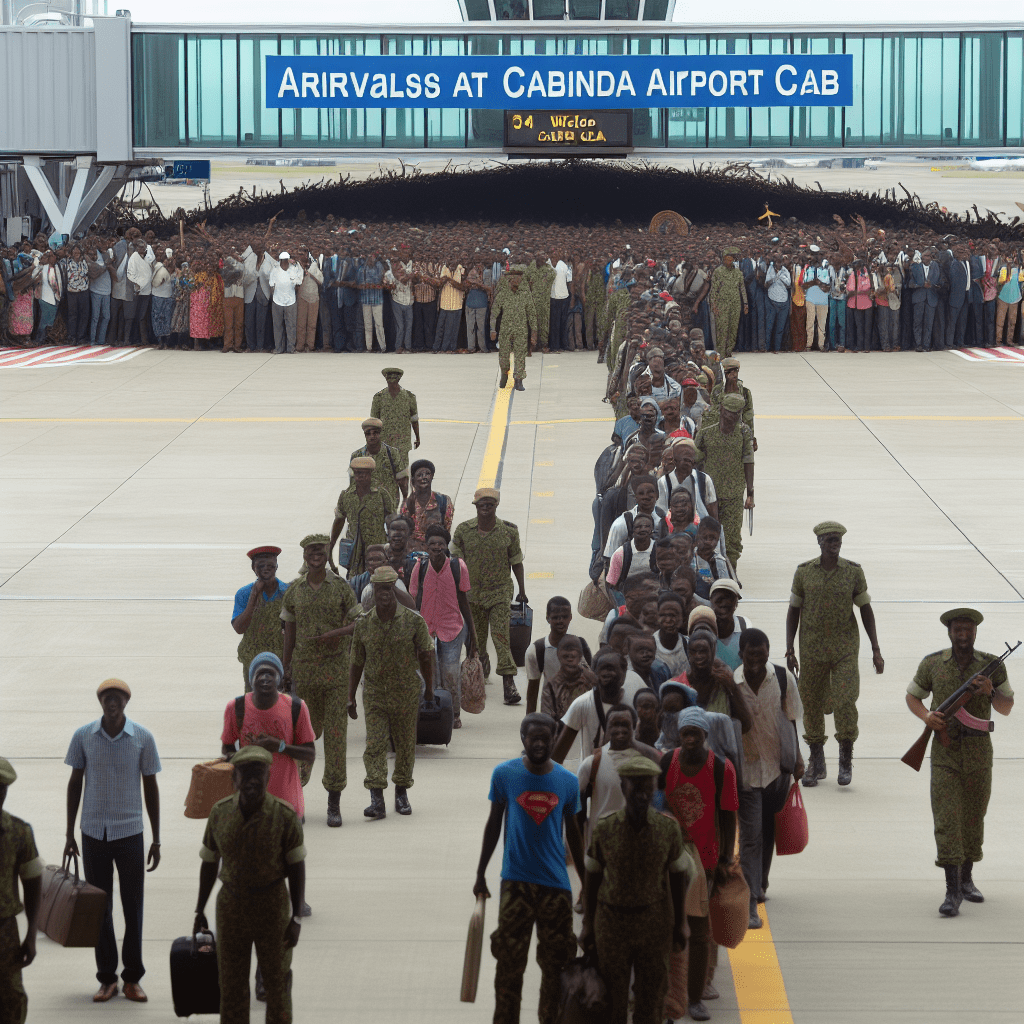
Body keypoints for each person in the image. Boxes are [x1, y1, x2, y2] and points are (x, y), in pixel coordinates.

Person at [474, 712, 585, 1024]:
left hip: (556, 887)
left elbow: (574, 834)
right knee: (509, 967)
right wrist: (481, 873)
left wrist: (586, 884)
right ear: (523, 740)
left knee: (556, 968)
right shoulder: (504, 775)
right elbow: (494, 824)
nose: (538, 743)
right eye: (532, 738)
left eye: (545, 738)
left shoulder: (567, 781)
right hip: (516, 884)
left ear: (554, 739)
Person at [905, 608, 1014, 917]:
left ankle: (967, 880)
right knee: (948, 821)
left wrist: (989, 692)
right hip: (945, 755)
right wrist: (927, 716)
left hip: (980, 755)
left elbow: (1006, 707)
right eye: (958, 630)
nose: (963, 635)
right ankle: (952, 891)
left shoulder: (993, 667)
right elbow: (912, 696)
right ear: (949, 632)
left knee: (972, 819)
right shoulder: (932, 664)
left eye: (968, 630)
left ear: (975, 632)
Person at [63, 679, 161, 1003]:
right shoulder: (83, 736)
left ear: (126, 701)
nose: (112, 702)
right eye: (107, 697)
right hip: (93, 834)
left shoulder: (142, 738)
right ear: (100, 701)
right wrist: (69, 833)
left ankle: (132, 978)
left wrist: (156, 838)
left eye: (117, 697)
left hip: (130, 832)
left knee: (133, 909)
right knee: (99, 909)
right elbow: (75, 784)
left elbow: (151, 788)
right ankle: (107, 978)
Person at [193, 745, 305, 1024]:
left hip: (273, 908)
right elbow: (209, 863)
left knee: (277, 985)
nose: (253, 779)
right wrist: (199, 910)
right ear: (234, 779)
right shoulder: (219, 814)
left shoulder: (284, 815)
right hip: (232, 907)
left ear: (269, 776)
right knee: (231, 986)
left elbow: (296, 866)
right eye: (246, 772)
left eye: (259, 772)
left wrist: (296, 917)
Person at [580, 754, 690, 1024]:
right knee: (613, 1000)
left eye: (647, 787)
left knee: (651, 999)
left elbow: (678, 878)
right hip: (612, 924)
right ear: (623, 786)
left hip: (654, 924)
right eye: (634, 786)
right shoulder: (605, 829)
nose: (641, 794)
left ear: (655, 788)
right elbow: (592, 879)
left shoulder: (667, 830)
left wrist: (681, 924)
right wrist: (588, 925)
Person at [786, 521, 883, 788]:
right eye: (829, 539)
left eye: (838, 539)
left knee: (844, 700)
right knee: (812, 702)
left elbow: (865, 609)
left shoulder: (852, 572)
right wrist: (790, 648)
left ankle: (845, 759)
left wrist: (876, 648)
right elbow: (793, 610)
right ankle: (816, 763)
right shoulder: (804, 573)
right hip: (812, 648)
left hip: (845, 648)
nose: (834, 543)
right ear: (819, 542)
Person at [659, 706, 739, 1022]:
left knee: (699, 927)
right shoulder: (668, 762)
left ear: (705, 736)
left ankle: (695, 996)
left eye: (696, 734)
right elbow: (660, 802)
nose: (690, 739)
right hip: (673, 856)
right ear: (679, 735)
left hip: (705, 858)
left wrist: (725, 860)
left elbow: (729, 814)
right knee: (668, 924)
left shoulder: (721, 768)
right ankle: (667, 993)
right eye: (685, 734)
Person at [281, 534, 358, 827]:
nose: (316, 555)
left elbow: (358, 622)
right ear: (304, 555)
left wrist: (334, 635)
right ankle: (296, 798)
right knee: (303, 738)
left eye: (321, 551)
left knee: (336, 740)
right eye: (311, 551)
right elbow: (289, 629)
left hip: (337, 675)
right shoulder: (294, 590)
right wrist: (285, 668)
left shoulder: (340, 587)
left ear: (327, 555)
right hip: (305, 676)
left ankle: (333, 802)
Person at [348, 566, 435, 819]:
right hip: (375, 693)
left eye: (388, 588)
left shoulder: (413, 622)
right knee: (374, 744)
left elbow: (427, 657)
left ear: (395, 588)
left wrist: (429, 690)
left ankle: (401, 792)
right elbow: (356, 662)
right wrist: (350, 696)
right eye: (379, 589)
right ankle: (376, 798)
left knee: (405, 745)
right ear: (372, 590)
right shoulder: (363, 624)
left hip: (405, 693)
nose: (384, 594)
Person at [733, 629, 805, 929]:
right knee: (750, 835)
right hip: (746, 770)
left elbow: (791, 718)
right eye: (751, 654)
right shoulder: (732, 682)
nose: (756, 659)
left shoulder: (783, 678)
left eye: (762, 653)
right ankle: (750, 898)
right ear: (741, 654)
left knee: (768, 826)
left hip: (777, 767)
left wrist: (798, 758)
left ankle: (761, 880)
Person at [221, 651, 315, 830]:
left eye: (270, 673)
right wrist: (239, 757)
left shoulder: (296, 707)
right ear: (251, 679)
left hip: (287, 805)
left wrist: (280, 746)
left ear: (279, 678)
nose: (265, 678)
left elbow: (310, 754)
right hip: (249, 803)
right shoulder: (236, 708)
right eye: (260, 673)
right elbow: (227, 747)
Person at [450, 487, 528, 706]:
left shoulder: (509, 532)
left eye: (490, 504)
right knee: (476, 640)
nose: (486, 507)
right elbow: (455, 563)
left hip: (499, 593)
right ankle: (480, 669)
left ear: (496, 506)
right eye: (482, 504)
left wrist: (522, 591)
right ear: (475, 506)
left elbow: (517, 562)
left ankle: (508, 684)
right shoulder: (464, 531)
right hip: (472, 595)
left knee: (501, 637)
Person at [407, 523, 478, 729]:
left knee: (450, 671)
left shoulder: (458, 567)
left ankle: (454, 712)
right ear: (426, 547)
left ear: (446, 546)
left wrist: (472, 635)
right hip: (425, 627)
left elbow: (464, 601)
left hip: (453, 627)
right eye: (432, 544)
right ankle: (431, 707)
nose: (436, 547)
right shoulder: (418, 568)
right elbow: (413, 601)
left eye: (441, 544)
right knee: (429, 671)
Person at [0, 757, 43, 1024]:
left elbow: (33, 883)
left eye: (2, 788)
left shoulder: (18, 832)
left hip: (4, 932)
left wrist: (31, 934)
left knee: (11, 998)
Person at [553, 649, 647, 766]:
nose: (606, 673)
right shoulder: (582, 704)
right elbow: (558, 755)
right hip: (593, 777)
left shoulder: (635, 699)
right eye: (602, 669)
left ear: (624, 674)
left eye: (611, 668)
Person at [695, 393, 754, 570]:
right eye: (730, 412)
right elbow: (695, 457)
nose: (734, 417)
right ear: (721, 410)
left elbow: (748, 459)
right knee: (706, 535)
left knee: (732, 539)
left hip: (734, 494)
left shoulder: (743, 432)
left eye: (738, 413)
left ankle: (730, 573)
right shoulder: (707, 432)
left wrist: (750, 492)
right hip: (709, 495)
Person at [231, 545, 288, 689]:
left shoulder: (287, 592)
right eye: (260, 565)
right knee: (253, 703)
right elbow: (239, 628)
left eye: (270, 565)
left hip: (281, 658)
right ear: (253, 568)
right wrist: (254, 597)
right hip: (253, 659)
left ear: (276, 566)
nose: (266, 568)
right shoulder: (243, 594)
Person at [525, 596, 593, 714]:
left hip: (579, 715)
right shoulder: (536, 650)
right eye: (555, 617)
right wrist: (530, 724)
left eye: (565, 617)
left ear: (570, 617)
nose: (560, 621)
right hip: (551, 715)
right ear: (548, 618)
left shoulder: (581, 646)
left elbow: (593, 683)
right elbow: (532, 692)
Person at [330, 456, 396, 577]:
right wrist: (331, 545)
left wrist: (393, 548)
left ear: (371, 473)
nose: (361, 476)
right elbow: (339, 520)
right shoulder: (346, 496)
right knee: (354, 583)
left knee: (378, 580)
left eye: (365, 473)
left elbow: (392, 522)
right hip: (353, 552)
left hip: (376, 550)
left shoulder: (381, 495)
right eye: (358, 473)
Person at [490, 268, 537, 391]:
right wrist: (492, 329)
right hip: (506, 329)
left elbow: (532, 314)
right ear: (510, 279)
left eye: (520, 278)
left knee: (520, 355)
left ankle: (518, 380)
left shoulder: (525, 294)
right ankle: (504, 373)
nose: (519, 280)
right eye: (516, 278)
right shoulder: (503, 294)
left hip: (521, 329)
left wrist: (534, 332)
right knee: (504, 355)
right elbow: (494, 312)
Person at [349, 416, 409, 505]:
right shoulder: (357, 456)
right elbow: (353, 483)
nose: (372, 437)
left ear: (380, 434)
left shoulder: (392, 453)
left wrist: (405, 499)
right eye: (368, 434)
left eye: (375, 433)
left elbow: (402, 479)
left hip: (389, 504)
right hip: (366, 505)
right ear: (365, 435)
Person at [370, 367, 420, 471]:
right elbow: (373, 423)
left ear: (398, 379)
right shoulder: (378, 398)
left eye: (394, 379)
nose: (391, 382)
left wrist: (417, 437)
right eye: (389, 379)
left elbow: (414, 419)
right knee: (385, 472)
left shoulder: (409, 397)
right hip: (384, 442)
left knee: (402, 472)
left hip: (402, 442)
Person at [401, 458, 454, 546]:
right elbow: (405, 531)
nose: (424, 477)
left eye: (427, 474)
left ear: (432, 477)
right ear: (413, 480)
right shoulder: (407, 504)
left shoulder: (444, 501)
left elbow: (446, 530)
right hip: (414, 551)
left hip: (436, 549)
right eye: (420, 475)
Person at [541, 636, 597, 719]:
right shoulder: (551, 686)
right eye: (565, 657)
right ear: (558, 656)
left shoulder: (592, 680)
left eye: (573, 656)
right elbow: (547, 719)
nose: (569, 660)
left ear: (580, 656)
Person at [709, 247, 747, 359]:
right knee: (722, 329)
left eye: (730, 260)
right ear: (723, 260)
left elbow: (742, 288)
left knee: (733, 329)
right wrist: (713, 305)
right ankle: (721, 352)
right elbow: (713, 290)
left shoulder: (738, 273)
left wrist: (745, 304)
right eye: (726, 259)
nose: (728, 262)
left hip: (735, 304)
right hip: (722, 304)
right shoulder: (718, 272)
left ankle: (729, 350)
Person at [709, 578, 753, 670]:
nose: (724, 603)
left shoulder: (744, 626)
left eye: (729, 598)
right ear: (711, 602)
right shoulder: (705, 628)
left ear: (736, 603)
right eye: (719, 599)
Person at [266, 250, 303, 354]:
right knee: (277, 326)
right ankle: (278, 348)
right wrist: (274, 296)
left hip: (291, 301)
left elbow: (299, 282)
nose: (285, 262)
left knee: (291, 325)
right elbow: (271, 285)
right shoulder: (275, 270)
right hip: (277, 301)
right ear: (280, 260)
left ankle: (291, 348)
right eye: (283, 260)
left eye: (287, 260)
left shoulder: (294, 269)